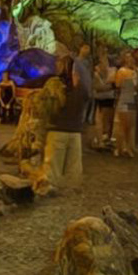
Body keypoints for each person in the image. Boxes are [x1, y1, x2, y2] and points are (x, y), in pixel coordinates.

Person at [44, 47, 93, 190]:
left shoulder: (55, 86)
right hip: (75, 131)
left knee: (53, 169)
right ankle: (70, 193)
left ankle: (51, 191)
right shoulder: (81, 88)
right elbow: (86, 97)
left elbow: (46, 106)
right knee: (73, 170)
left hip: (57, 130)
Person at [113, 52, 138, 159]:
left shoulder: (134, 72)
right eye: (127, 58)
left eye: (131, 58)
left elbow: (136, 86)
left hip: (132, 99)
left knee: (130, 125)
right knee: (122, 125)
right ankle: (119, 147)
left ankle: (128, 147)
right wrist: (128, 82)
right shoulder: (121, 71)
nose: (130, 60)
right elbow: (118, 84)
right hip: (124, 99)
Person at [92, 46, 117, 150]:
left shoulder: (112, 70)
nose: (105, 63)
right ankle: (100, 140)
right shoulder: (96, 72)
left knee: (109, 120)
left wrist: (109, 86)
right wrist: (108, 86)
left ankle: (107, 139)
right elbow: (97, 87)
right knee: (101, 120)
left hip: (110, 98)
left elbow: (114, 83)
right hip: (100, 99)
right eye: (102, 61)